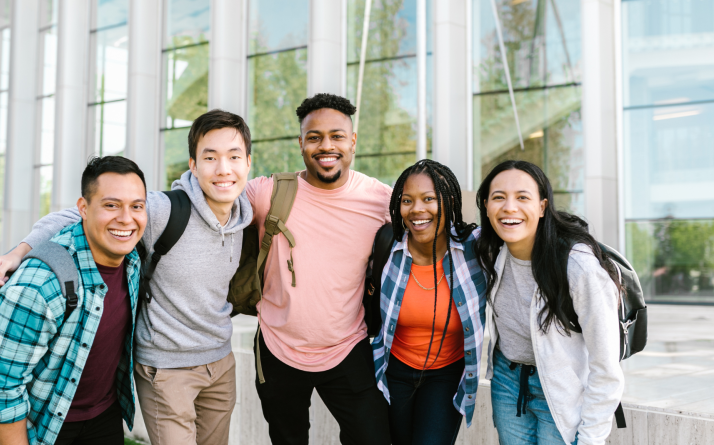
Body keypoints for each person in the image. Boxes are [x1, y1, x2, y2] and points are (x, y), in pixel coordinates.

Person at [0, 110, 254, 445]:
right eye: (210, 157)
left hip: (219, 361)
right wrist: (18, 252)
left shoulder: (245, 212)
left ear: (248, 163)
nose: (223, 168)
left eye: (234, 157)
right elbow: (79, 214)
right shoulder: (162, 210)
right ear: (193, 165)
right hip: (167, 368)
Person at [246, 93, 393, 444]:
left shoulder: (382, 200)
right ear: (301, 144)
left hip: (348, 346)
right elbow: (209, 200)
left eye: (337, 136)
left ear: (353, 141)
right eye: (314, 137)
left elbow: (433, 229)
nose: (326, 146)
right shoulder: (268, 193)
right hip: (277, 347)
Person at [0, 156, 148, 445]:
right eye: (111, 205)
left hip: (105, 415)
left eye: (136, 206)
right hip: (47, 426)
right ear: (82, 208)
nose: (126, 218)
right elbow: (0, 391)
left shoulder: (131, 259)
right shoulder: (40, 283)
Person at [474, 160, 624, 445]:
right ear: (486, 205)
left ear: (542, 207)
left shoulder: (577, 266)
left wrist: (591, 438)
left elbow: (606, 366)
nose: (509, 208)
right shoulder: (489, 250)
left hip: (561, 387)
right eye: (498, 197)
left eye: (522, 197)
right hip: (507, 383)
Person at [370, 160, 487, 445]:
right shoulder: (388, 246)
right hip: (393, 369)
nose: (417, 209)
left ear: (448, 202)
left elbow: (524, 236)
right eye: (407, 200)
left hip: (445, 375)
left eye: (429, 199)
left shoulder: (475, 248)